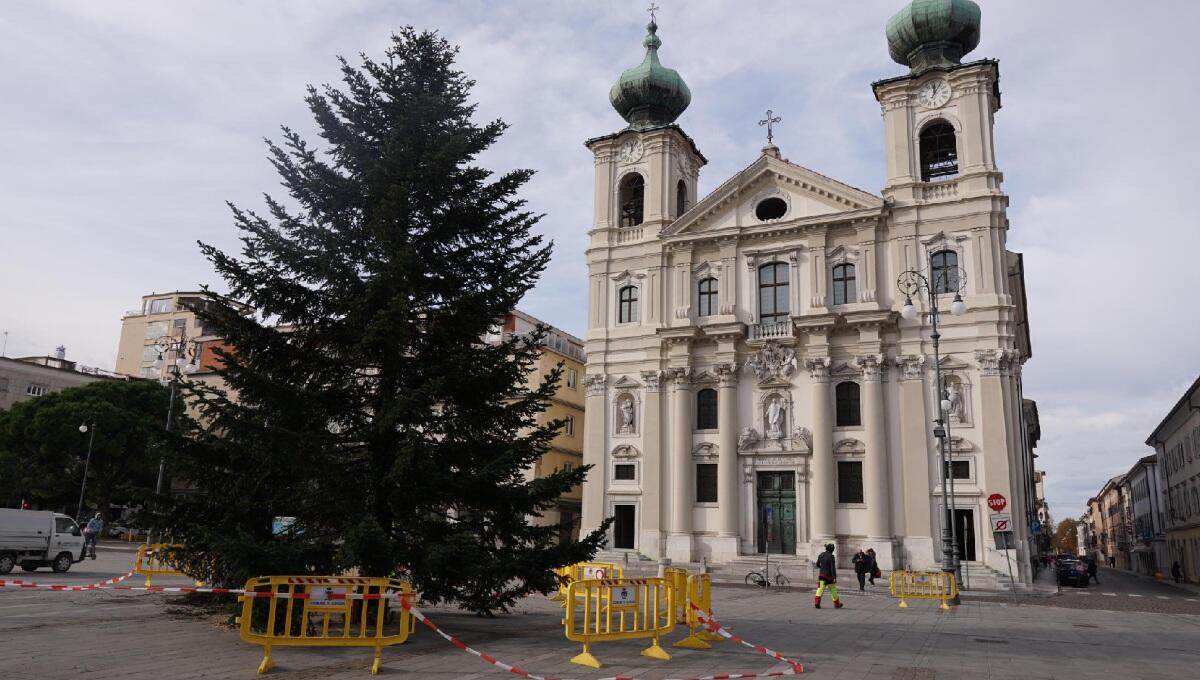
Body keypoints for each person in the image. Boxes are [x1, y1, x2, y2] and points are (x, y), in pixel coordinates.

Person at [814, 543, 843, 609]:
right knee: (833, 590)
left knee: (820, 589)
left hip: (821, 575)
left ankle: (817, 603)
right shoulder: (831, 556)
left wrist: (822, 568)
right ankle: (836, 604)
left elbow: (817, 564)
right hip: (829, 577)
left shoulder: (821, 554)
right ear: (832, 550)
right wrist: (834, 577)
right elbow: (832, 568)